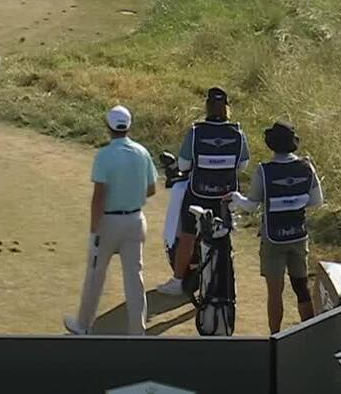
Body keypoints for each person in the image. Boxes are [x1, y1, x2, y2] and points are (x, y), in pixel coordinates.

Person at [64, 105, 158, 336]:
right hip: (136, 221)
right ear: (128, 126)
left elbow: (99, 198)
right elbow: (151, 189)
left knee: (95, 275)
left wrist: (93, 232)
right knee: (135, 279)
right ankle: (138, 331)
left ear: (108, 127)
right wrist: (132, 196)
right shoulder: (142, 152)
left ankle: (83, 326)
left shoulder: (104, 155)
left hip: (108, 223)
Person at [230, 121, 323, 331]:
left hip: (273, 238)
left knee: (275, 292)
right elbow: (317, 201)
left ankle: (275, 336)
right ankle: (309, 333)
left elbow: (252, 206)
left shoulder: (264, 171)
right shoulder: (306, 167)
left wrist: (236, 197)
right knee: (301, 287)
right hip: (298, 236)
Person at [157, 87, 249, 296]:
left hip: (199, 194)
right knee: (225, 235)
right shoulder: (237, 133)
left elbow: (183, 163)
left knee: (187, 235)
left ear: (207, 107)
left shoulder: (196, 132)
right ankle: (225, 279)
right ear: (227, 108)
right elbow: (242, 165)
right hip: (226, 195)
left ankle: (178, 281)